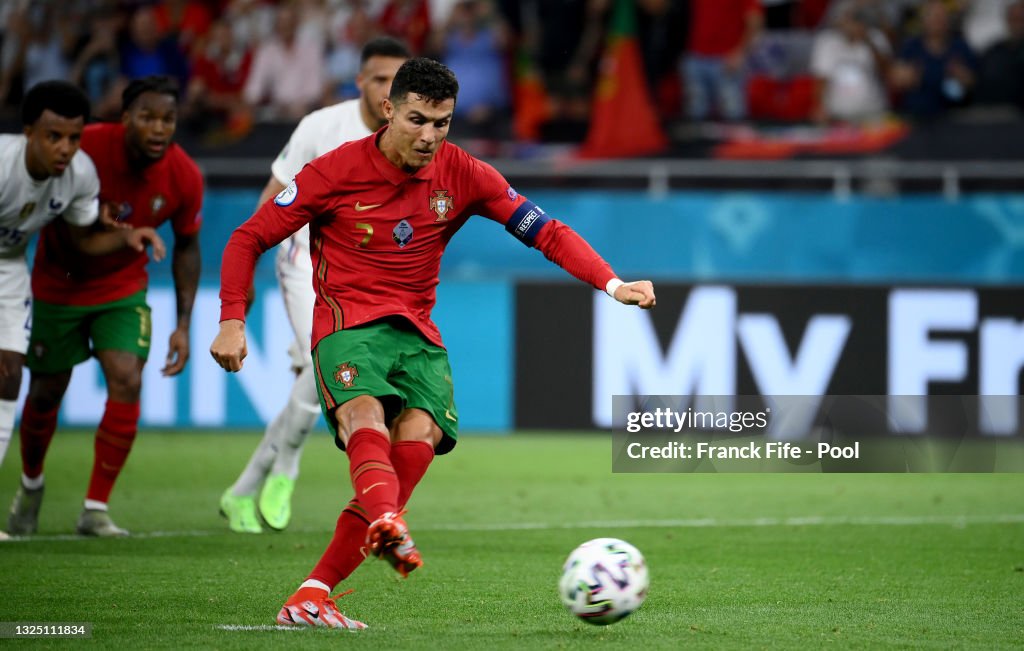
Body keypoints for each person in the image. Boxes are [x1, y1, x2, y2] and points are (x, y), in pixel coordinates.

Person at [210, 57, 656, 629]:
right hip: (348, 327)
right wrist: (231, 317)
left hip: (418, 336)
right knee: (364, 417)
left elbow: (546, 231)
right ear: (389, 109)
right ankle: (386, 521)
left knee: (417, 440)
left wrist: (613, 284)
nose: (429, 136)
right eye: (418, 120)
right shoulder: (334, 172)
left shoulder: (464, 173)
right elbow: (248, 237)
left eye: (442, 123)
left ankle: (313, 592)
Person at [219, 36, 411, 535]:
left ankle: (245, 486)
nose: (387, 89)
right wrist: (244, 281)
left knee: (314, 366)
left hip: (364, 267)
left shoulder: (413, 136)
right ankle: (286, 467)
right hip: (304, 254)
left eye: (397, 79)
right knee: (324, 357)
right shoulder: (321, 127)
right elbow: (273, 197)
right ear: (361, 83)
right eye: (378, 79)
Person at [8, 75, 202, 538]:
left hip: (121, 288)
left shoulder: (184, 175)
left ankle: (95, 508)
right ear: (125, 118)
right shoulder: (82, 146)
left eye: (168, 119)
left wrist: (183, 325)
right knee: (46, 392)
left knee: (127, 375)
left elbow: (188, 248)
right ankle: (31, 484)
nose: (159, 128)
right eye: (147, 117)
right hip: (59, 284)